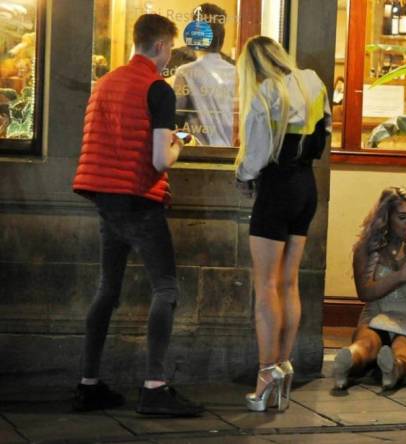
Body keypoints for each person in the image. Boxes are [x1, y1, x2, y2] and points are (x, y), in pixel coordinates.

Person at [71, 14, 203, 416]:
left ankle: (88, 384)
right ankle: (154, 388)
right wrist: (181, 142)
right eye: (169, 50)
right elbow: (161, 159)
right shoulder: (157, 88)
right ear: (161, 46)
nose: (169, 58)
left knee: (107, 289)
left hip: (104, 198)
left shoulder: (105, 83)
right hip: (139, 201)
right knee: (166, 289)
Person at [235, 36, 331, 411]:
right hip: (307, 185)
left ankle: (265, 374)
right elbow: (326, 131)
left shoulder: (265, 93)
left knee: (265, 287)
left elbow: (255, 156)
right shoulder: (312, 81)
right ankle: (284, 364)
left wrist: (243, 175)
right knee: (289, 282)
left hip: (276, 188)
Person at [333, 187, 406, 391]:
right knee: (366, 344)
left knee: (403, 345)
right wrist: (399, 277)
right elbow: (364, 293)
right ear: (386, 217)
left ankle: (394, 369)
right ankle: (347, 363)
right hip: (377, 316)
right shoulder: (367, 247)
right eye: (402, 217)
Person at [173, 3, 237, 146]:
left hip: (198, 152)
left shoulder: (185, 71)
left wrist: (187, 140)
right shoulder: (235, 71)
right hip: (229, 152)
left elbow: (175, 123)